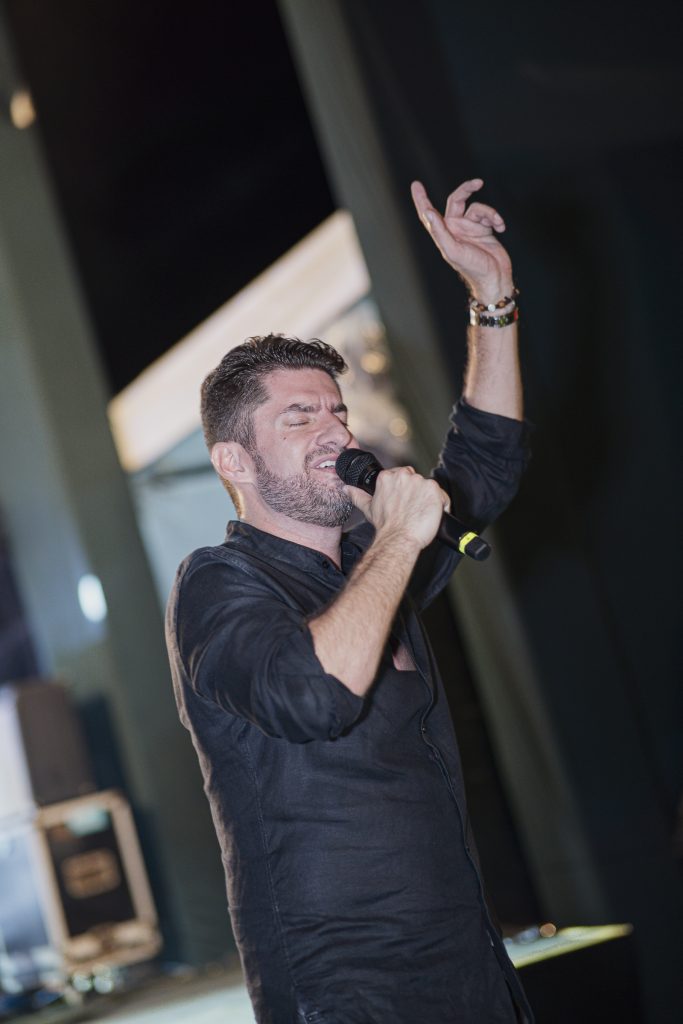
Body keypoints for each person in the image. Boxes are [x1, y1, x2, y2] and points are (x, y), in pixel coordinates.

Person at [166, 179, 534, 1023]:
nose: (336, 432)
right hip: (347, 993)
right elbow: (312, 695)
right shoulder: (217, 583)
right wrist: (399, 537)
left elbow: (484, 465)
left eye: (337, 411)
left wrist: (491, 297)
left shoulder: (373, 563)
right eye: (300, 418)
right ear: (234, 462)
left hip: (467, 966)